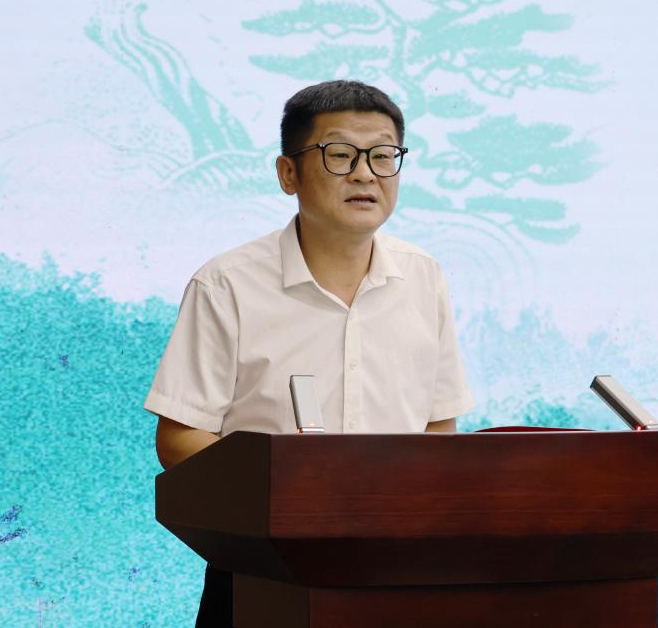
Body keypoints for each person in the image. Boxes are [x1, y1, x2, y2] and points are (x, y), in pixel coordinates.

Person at [143, 80, 475, 626]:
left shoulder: (424, 277)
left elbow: (439, 425)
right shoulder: (227, 284)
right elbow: (181, 437)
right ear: (288, 174)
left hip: (396, 569)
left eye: (383, 155)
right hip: (261, 571)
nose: (365, 174)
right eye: (340, 155)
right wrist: (285, 499)